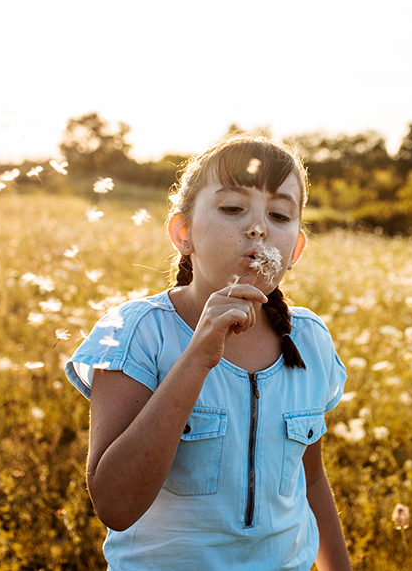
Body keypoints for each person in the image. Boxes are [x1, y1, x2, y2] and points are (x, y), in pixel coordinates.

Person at [65, 135, 352, 570]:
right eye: (233, 208)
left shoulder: (309, 340)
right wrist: (197, 356)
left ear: (294, 250)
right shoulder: (138, 333)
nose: (257, 228)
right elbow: (115, 506)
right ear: (183, 234)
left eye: (278, 214)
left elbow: (310, 480)